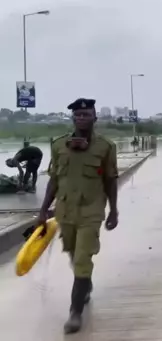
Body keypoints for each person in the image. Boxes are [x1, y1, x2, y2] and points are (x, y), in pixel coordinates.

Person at [36, 98, 119, 333]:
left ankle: (75, 313)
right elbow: (54, 180)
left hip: (91, 211)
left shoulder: (105, 147)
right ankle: (85, 284)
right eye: (78, 115)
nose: (81, 118)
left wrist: (113, 209)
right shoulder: (59, 145)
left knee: (82, 258)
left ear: (95, 117)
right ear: (73, 119)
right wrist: (43, 210)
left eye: (86, 114)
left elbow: (110, 180)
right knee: (74, 254)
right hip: (65, 212)